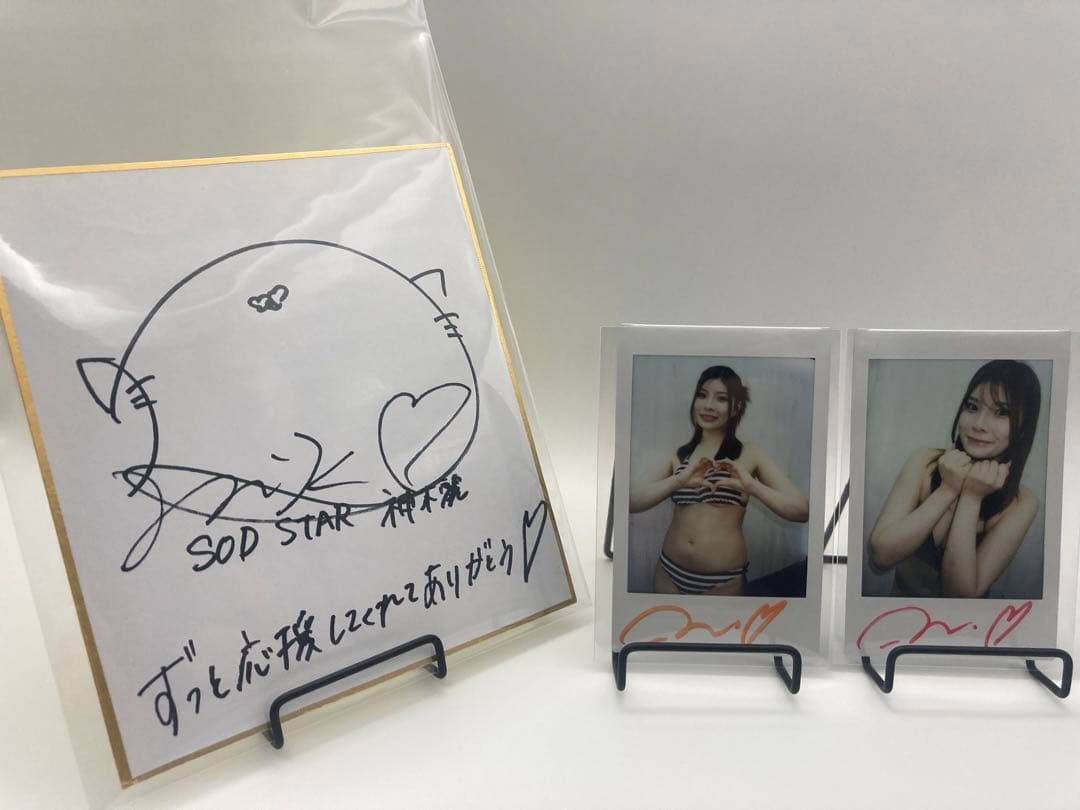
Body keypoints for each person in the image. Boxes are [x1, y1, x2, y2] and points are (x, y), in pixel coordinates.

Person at [629, 365, 809, 595]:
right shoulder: (679, 455)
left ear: (736, 407)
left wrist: (752, 486)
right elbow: (630, 501)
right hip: (668, 574)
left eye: (721, 398)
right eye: (702, 395)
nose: (708, 405)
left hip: (722, 582)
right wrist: (678, 481)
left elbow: (801, 510)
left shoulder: (750, 453)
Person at [867, 360, 1041, 598]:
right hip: (898, 616)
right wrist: (947, 489)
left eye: (1002, 412)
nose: (979, 424)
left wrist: (971, 497)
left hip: (962, 623)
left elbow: (960, 596)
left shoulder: (1021, 503)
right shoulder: (925, 462)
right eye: (972, 406)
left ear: (1023, 426)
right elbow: (881, 557)